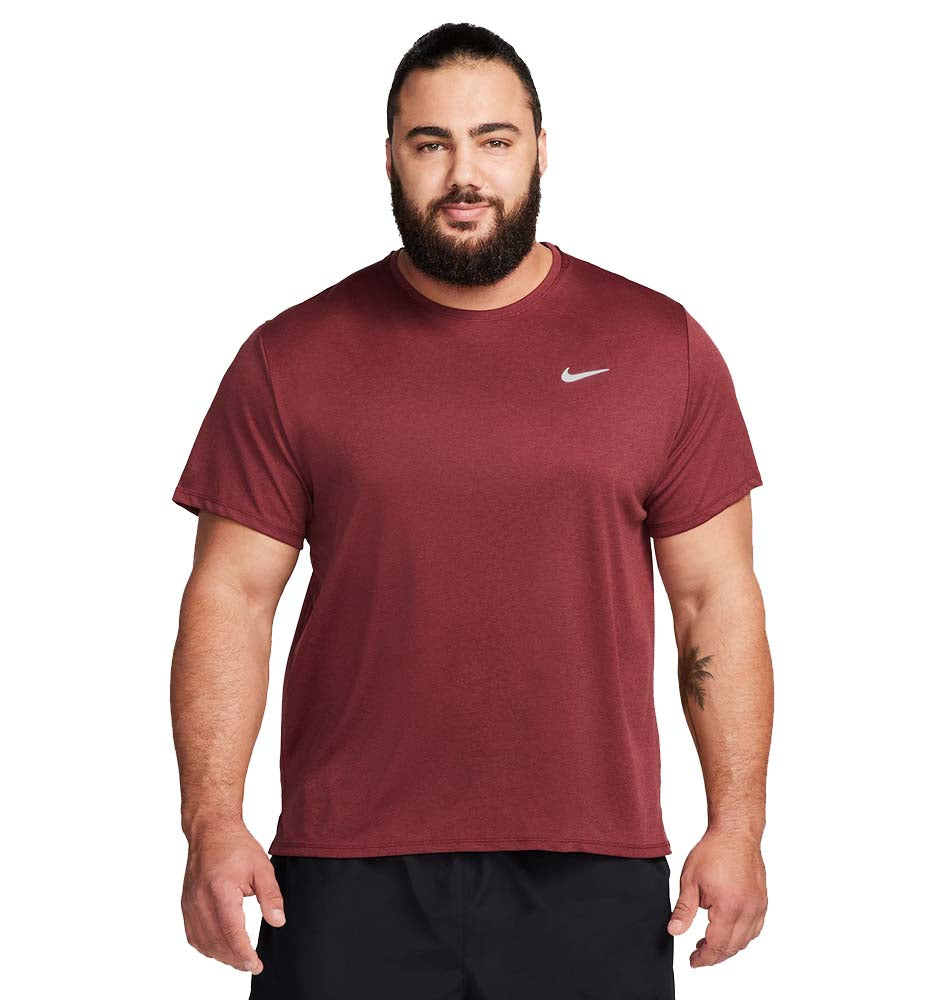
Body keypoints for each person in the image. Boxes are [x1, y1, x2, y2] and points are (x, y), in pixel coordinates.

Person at [170, 21, 772, 999]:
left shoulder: (661, 349)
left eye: (494, 140)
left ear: (540, 150)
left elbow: (715, 599)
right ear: (390, 159)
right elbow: (230, 598)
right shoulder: (292, 358)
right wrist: (211, 822)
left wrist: (738, 826)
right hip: (343, 869)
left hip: (593, 868)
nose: (464, 174)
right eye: (431, 143)